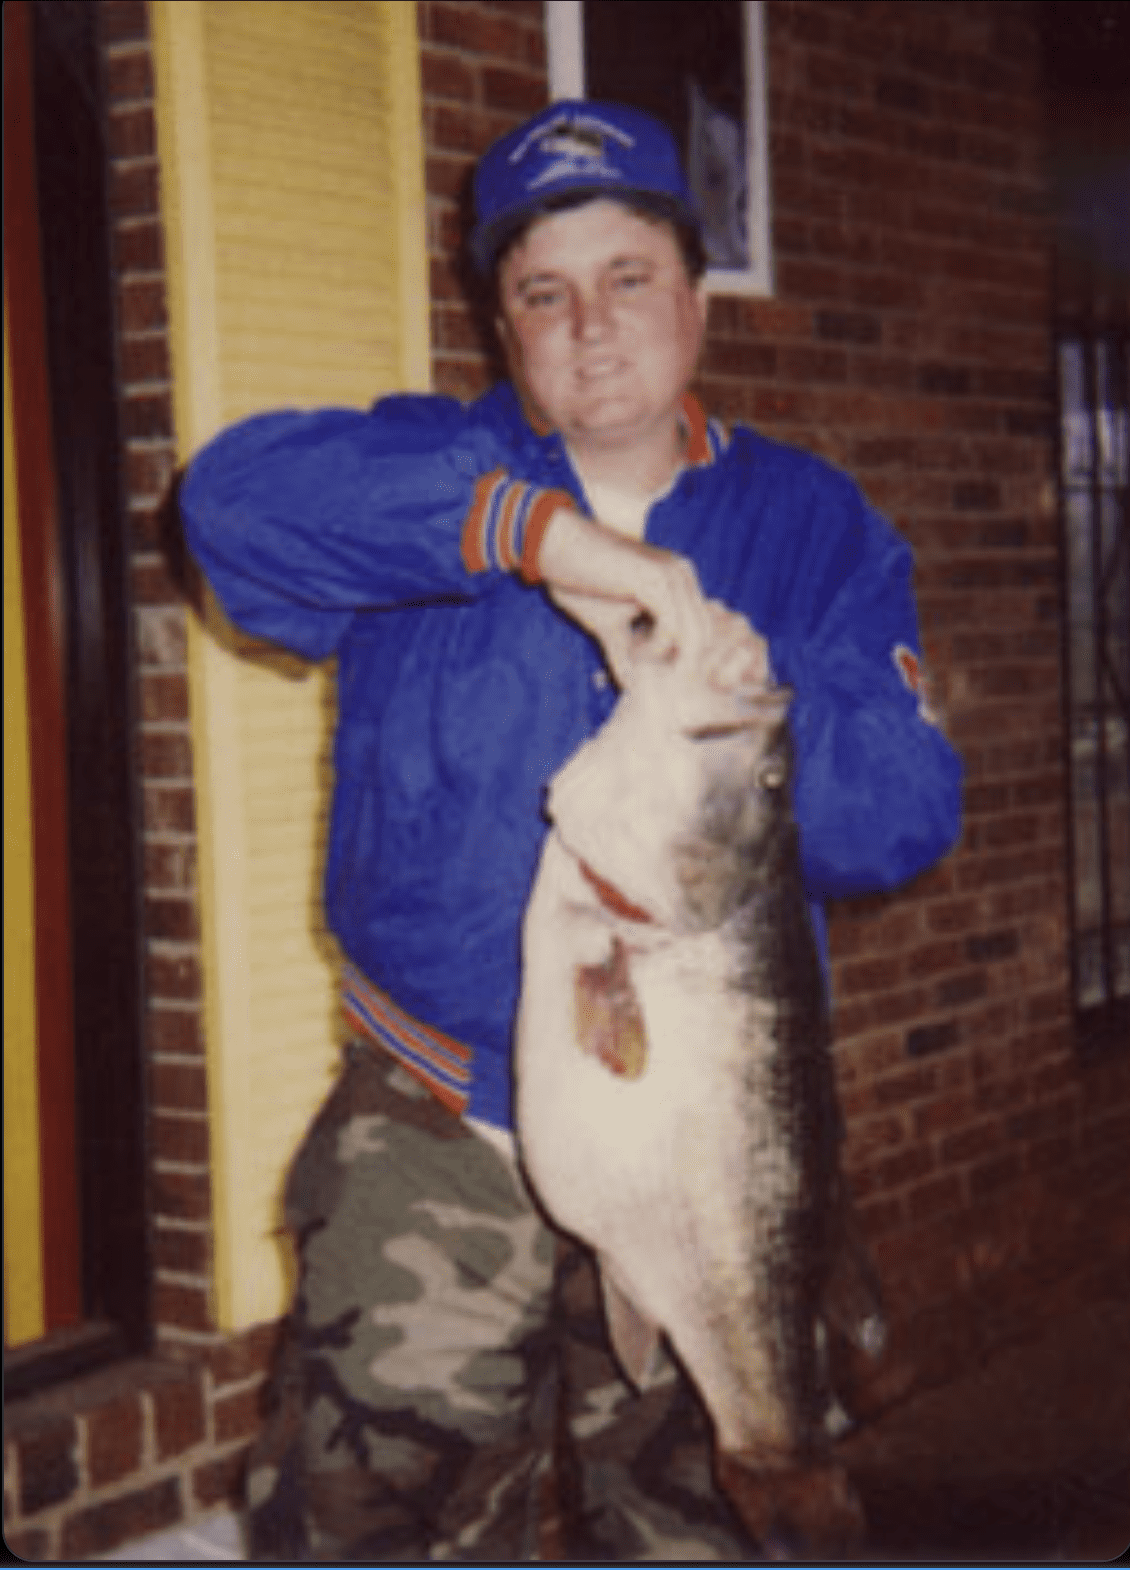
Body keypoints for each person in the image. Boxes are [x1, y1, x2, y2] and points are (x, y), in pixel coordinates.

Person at [181, 99, 963, 1560]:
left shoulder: (813, 522)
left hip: (708, 1147)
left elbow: (905, 817)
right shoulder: (430, 464)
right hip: (434, 1123)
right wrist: (534, 535)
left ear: (695, 298)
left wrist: (754, 705)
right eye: (544, 292)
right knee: (369, 1532)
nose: (591, 326)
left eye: (629, 277)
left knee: (689, 1531)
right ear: (503, 326)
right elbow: (225, 507)